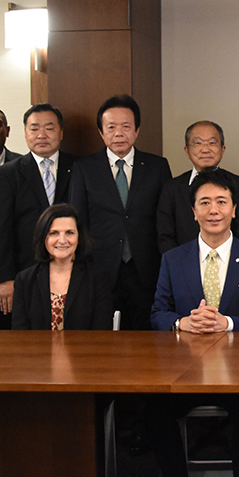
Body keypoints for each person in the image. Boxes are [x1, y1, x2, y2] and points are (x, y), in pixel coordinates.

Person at [148, 169, 239, 477]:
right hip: (185, 371)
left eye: (221, 202)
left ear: (234, 209)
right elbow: (157, 314)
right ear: (193, 212)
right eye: (204, 203)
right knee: (152, 408)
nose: (213, 210)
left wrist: (229, 323)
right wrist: (182, 322)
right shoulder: (173, 259)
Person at [70, 95, 172, 330]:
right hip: (101, 268)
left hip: (146, 269)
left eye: (126, 127)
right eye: (111, 127)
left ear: (137, 130)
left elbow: (165, 219)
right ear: (101, 132)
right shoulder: (84, 168)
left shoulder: (157, 166)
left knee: (147, 337)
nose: (119, 134)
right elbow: (78, 220)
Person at [0, 103, 78, 323]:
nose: (41, 135)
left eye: (49, 128)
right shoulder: (7, 174)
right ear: (25, 133)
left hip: (72, 271)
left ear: (61, 132)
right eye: (34, 128)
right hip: (24, 273)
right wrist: (5, 278)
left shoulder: (79, 167)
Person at [157, 120, 239, 253]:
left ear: (222, 149)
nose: (205, 149)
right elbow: (165, 236)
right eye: (198, 143)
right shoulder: (171, 188)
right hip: (182, 267)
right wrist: (181, 265)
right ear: (187, 150)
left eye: (212, 143)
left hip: (230, 266)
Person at [12, 204, 112, 330]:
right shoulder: (24, 280)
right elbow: (20, 334)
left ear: (79, 237)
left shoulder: (98, 278)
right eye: (54, 233)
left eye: (69, 233)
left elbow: (101, 332)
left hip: (84, 349)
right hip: (36, 350)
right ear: (43, 237)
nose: (62, 240)